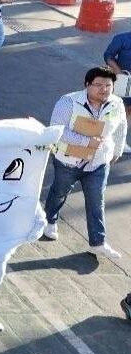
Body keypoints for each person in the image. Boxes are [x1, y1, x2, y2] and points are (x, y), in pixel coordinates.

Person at [42, 66, 126, 260]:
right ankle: (49, 220)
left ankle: (98, 242)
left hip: (98, 163)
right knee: (59, 192)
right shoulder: (68, 102)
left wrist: (118, 149)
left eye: (108, 85)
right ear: (87, 85)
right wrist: (86, 142)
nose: (104, 89)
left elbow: (121, 126)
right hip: (68, 161)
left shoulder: (116, 103)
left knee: (97, 201)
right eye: (98, 85)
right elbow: (57, 130)